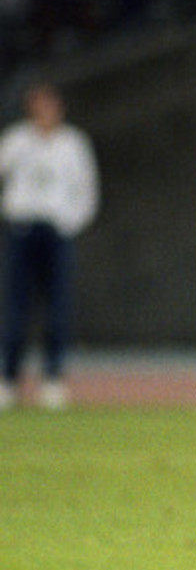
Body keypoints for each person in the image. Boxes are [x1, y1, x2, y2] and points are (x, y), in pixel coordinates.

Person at [0, 82, 100, 409]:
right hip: (22, 231)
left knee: (57, 308)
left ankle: (53, 379)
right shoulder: (15, 141)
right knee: (16, 307)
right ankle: (9, 379)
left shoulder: (73, 144)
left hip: (57, 234)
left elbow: (87, 192)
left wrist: (67, 223)